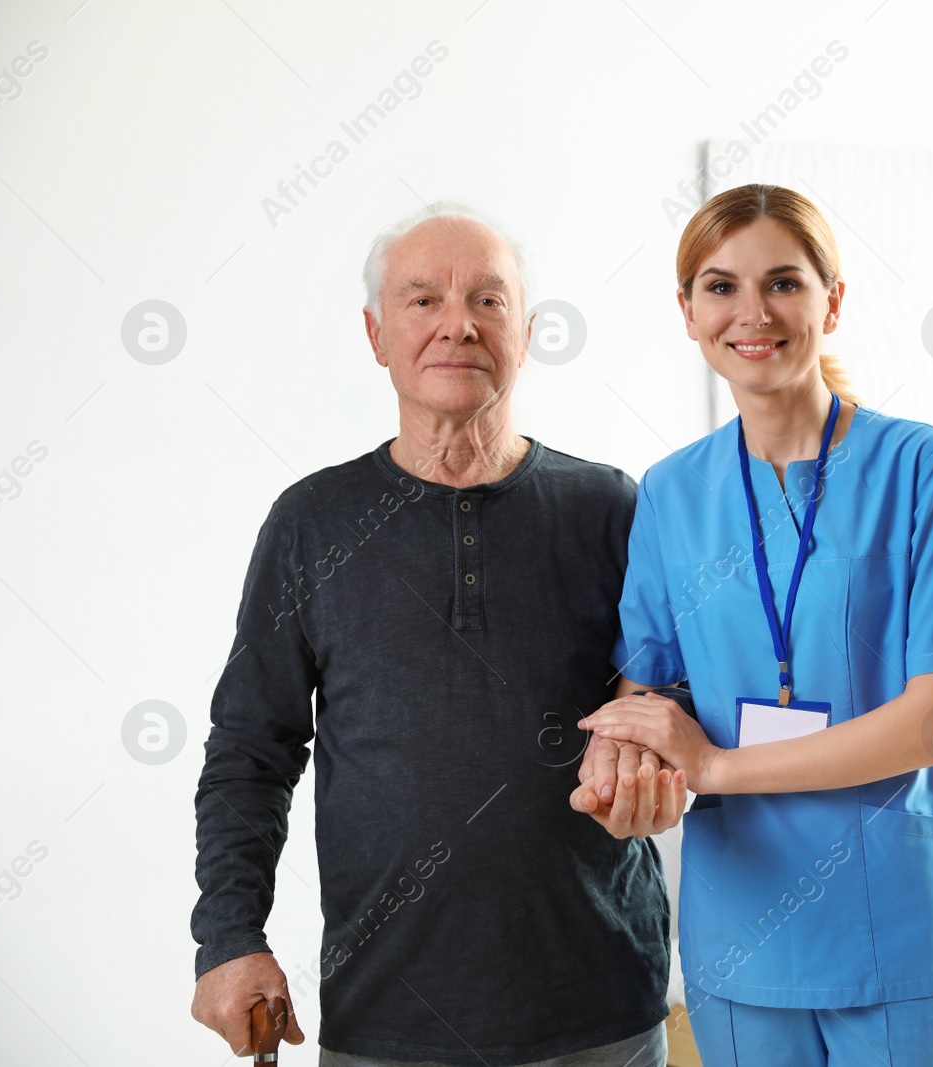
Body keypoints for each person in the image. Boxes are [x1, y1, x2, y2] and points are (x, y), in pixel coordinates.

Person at [189, 202, 686, 1067]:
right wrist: (230, 935)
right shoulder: (311, 521)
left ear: (526, 334)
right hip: (388, 1013)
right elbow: (250, 749)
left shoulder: (613, 507)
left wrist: (656, 751)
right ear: (377, 334)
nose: (457, 323)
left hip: (600, 1008)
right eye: (423, 300)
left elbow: (671, 691)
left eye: (488, 301)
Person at [574, 184, 933, 1065]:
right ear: (688, 313)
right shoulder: (670, 491)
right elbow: (646, 694)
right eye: (720, 286)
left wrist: (714, 765)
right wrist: (621, 776)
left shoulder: (922, 467)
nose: (753, 312)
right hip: (740, 944)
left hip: (904, 929)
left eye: (783, 282)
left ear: (833, 300)